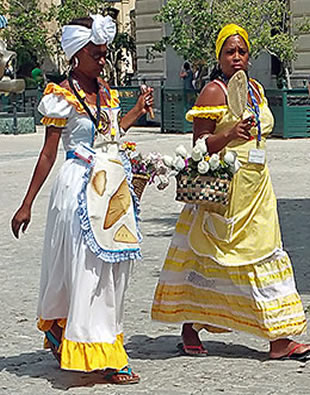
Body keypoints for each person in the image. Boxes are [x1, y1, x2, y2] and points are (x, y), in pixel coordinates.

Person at [152, 24, 310, 360]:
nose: (236, 57)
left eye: (242, 51)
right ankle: (192, 324)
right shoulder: (213, 91)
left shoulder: (254, 89)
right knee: (213, 259)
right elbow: (199, 145)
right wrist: (230, 135)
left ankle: (279, 337)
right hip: (225, 190)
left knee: (265, 254)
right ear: (219, 57)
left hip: (257, 190)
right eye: (229, 52)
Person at [11, 14, 153, 384]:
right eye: (96, 54)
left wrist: (136, 111)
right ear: (77, 54)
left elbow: (111, 134)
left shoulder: (107, 91)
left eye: (104, 53)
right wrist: (26, 203)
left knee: (113, 269)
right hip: (76, 189)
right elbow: (48, 153)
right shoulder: (60, 94)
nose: (102, 60)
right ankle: (98, 349)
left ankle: (102, 340)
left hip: (110, 189)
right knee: (87, 269)